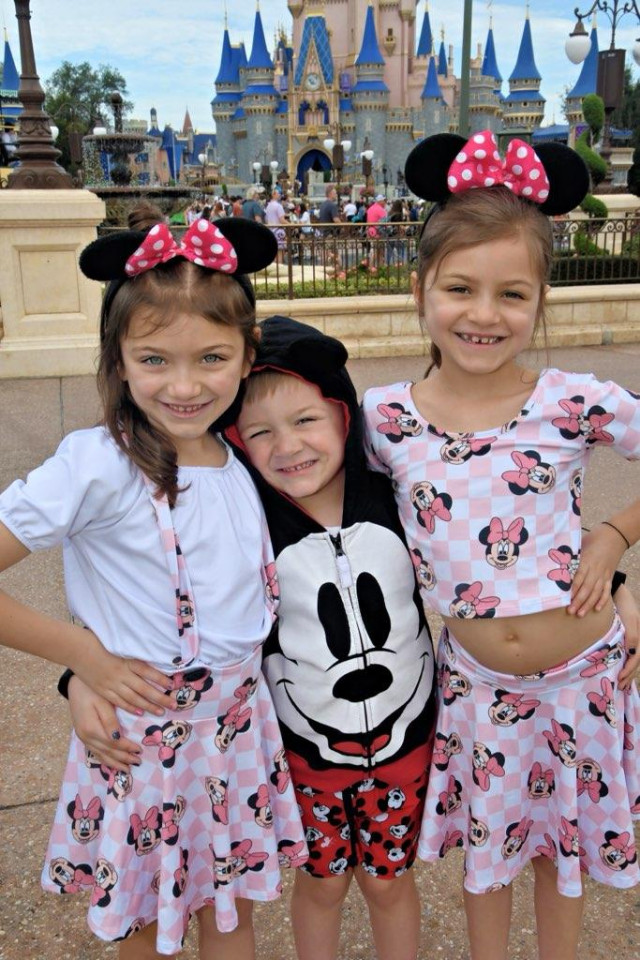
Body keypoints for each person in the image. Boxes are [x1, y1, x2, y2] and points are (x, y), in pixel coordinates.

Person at [66, 315, 438, 960]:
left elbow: (491, 560)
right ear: (235, 438)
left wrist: (618, 580)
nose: (287, 446)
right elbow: (150, 606)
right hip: (298, 756)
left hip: (407, 747)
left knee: (390, 884)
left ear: (344, 416)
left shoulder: (397, 495)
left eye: (306, 420)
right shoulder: (241, 514)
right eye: (260, 431)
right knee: (319, 888)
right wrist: (77, 674)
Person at [362, 130, 640, 960]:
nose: (485, 315)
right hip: (478, 690)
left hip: (587, 679)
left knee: (564, 863)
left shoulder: (572, 400)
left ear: (540, 300)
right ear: (421, 291)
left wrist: (620, 542)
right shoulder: (383, 420)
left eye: (512, 295)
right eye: (460, 288)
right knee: (486, 865)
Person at [0, 208, 306, 958]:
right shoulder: (96, 462)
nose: (184, 385)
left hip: (236, 730)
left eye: (210, 358)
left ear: (246, 355)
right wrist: (85, 664)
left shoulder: (239, 457)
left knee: (227, 908)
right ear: (119, 359)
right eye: (155, 360)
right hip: (140, 741)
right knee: (143, 913)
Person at [264, 189, 287, 264]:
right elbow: (282, 220)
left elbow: (267, 220)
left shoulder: (268, 206)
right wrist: (291, 225)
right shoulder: (278, 206)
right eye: (278, 193)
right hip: (278, 231)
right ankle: (279, 269)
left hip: (271, 231)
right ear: (274, 195)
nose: (279, 195)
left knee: (274, 253)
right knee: (280, 253)